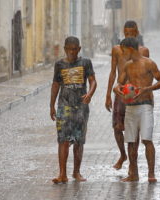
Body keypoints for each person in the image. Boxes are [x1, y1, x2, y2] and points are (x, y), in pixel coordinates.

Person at [114, 37, 160, 182]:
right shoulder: (127, 66)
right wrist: (117, 89)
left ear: (130, 49)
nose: (122, 55)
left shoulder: (148, 63)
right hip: (130, 106)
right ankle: (133, 174)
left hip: (145, 105)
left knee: (147, 139)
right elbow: (119, 83)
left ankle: (151, 174)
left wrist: (146, 89)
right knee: (131, 141)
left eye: (123, 51)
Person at [50, 36, 97, 183]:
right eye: (69, 49)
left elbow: (93, 81)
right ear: (65, 49)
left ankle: (76, 172)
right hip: (64, 107)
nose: (72, 52)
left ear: (79, 49)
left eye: (75, 49)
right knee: (63, 140)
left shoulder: (85, 63)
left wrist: (90, 94)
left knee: (78, 141)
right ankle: (62, 174)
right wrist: (51, 105)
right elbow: (56, 85)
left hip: (81, 108)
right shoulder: (59, 65)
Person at [105, 20, 149, 170]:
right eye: (127, 33)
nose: (129, 35)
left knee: (133, 130)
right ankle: (123, 154)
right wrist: (108, 94)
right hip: (120, 92)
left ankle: (132, 163)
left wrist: (144, 92)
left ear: (137, 33)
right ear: (123, 32)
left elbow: (146, 72)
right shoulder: (117, 50)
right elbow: (112, 72)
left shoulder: (143, 51)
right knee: (117, 127)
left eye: (132, 33)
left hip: (136, 94)